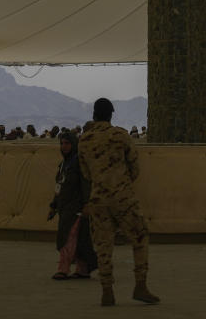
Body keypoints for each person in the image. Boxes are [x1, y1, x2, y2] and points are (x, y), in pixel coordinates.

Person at [79, 98, 159, 306]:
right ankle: (140, 285)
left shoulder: (84, 140)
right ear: (111, 114)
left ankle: (107, 291)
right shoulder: (121, 136)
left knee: (103, 246)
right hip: (123, 198)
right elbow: (135, 168)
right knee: (140, 236)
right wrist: (121, 182)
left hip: (98, 198)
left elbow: (86, 174)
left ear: (94, 114)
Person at [49, 131, 97, 279]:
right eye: (62, 143)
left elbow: (85, 185)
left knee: (68, 238)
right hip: (65, 207)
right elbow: (60, 186)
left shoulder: (78, 162)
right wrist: (53, 205)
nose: (64, 146)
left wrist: (87, 204)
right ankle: (82, 269)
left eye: (67, 143)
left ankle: (63, 268)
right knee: (78, 238)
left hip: (76, 207)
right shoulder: (64, 164)